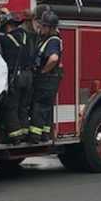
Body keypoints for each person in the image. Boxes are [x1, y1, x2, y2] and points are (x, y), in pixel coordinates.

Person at [0, 11, 33, 144]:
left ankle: (15, 136)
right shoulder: (27, 36)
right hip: (29, 76)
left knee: (11, 106)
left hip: (16, 77)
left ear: (7, 25)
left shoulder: (4, 38)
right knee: (23, 107)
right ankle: (25, 133)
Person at [29, 11, 63, 144]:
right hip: (51, 79)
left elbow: (54, 58)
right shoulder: (48, 39)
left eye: (43, 26)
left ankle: (35, 136)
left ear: (50, 28)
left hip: (47, 79)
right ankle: (44, 134)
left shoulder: (53, 40)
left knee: (39, 106)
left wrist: (43, 71)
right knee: (46, 107)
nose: (40, 28)